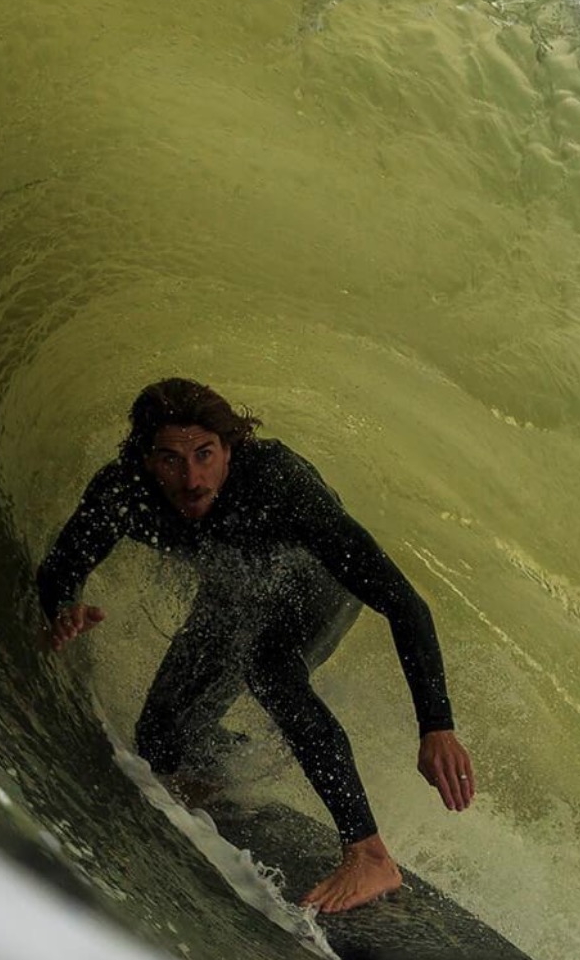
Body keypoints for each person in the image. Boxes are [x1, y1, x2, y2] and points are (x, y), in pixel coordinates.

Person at [35, 378, 475, 913]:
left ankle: (370, 855)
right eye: (171, 460)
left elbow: (404, 603)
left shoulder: (277, 484)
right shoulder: (125, 492)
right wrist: (64, 608)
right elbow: (63, 567)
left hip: (313, 589)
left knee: (270, 668)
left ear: (229, 448)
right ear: (147, 460)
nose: (192, 479)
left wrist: (437, 726)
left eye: (205, 455)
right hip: (234, 590)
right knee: (160, 740)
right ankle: (231, 776)